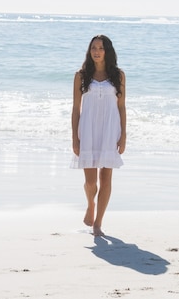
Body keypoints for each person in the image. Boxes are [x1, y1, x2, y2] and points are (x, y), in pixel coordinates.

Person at [71, 35, 126, 236]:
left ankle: (98, 224)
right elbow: (76, 108)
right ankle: (90, 204)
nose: (96, 51)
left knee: (106, 177)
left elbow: (121, 106)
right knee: (91, 181)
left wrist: (123, 135)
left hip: (111, 130)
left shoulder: (118, 76)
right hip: (87, 130)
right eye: (93, 47)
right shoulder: (81, 75)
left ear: (107, 51)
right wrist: (74, 138)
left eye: (101, 48)